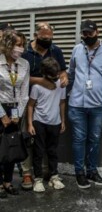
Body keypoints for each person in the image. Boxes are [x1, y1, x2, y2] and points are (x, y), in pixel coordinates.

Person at [68, 19, 102, 189]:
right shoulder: (76, 50)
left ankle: (91, 170)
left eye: (90, 33)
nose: (87, 36)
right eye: (84, 33)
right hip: (76, 104)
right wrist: (63, 95)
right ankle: (79, 173)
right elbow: (70, 74)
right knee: (79, 139)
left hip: (98, 105)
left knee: (94, 139)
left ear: (97, 32)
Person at [21, 22, 68, 190]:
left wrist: (63, 78)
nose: (47, 41)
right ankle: (29, 174)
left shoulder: (56, 50)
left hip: (53, 112)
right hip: (29, 100)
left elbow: (62, 71)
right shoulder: (26, 52)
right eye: (43, 38)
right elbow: (21, 78)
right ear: (36, 36)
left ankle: (50, 173)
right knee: (30, 141)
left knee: (51, 147)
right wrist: (41, 81)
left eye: (50, 38)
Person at [27, 57, 66, 192]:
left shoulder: (61, 85)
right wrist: (30, 124)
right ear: (44, 74)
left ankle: (53, 176)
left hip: (55, 122)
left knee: (52, 151)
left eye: (57, 75)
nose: (55, 78)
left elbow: (62, 103)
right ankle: (37, 179)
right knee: (38, 151)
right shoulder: (37, 87)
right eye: (52, 76)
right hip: (39, 122)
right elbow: (31, 105)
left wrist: (63, 121)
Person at [0, 30, 29, 198]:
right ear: (8, 45)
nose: (21, 48)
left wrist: (18, 113)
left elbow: (24, 92)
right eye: (18, 45)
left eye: (22, 45)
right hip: (0, 108)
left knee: (11, 147)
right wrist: (2, 115)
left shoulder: (24, 64)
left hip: (16, 109)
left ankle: (8, 181)